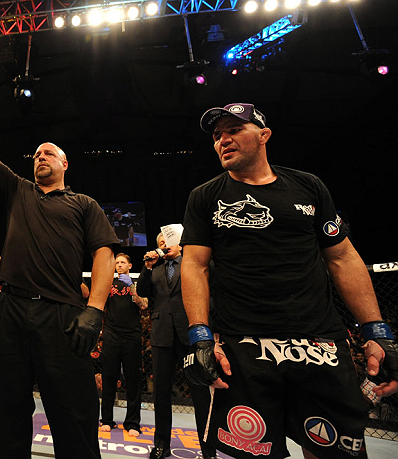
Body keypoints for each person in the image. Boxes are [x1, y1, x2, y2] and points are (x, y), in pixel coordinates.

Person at [180, 103, 398, 459]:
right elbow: (194, 266)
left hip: (318, 341)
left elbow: (342, 258)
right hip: (244, 344)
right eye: (217, 135)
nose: (223, 140)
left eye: (234, 129)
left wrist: (377, 332)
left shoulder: (308, 186)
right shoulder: (205, 196)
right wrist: (201, 337)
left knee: (333, 452)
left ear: (264, 135)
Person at [0, 96, 120, 458]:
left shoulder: (83, 204)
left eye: (49, 153)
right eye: (37, 154)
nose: (41, 157)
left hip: (62, 315)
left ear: (64, 164)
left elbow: (104, 253)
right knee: (6, 412)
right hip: (10, 310)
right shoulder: (19, 190)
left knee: (74, 413)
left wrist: (95, 310)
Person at [137, 230, 217, 459]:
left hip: (191, 334)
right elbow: (142, 291)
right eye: (160, 241)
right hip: (162, 335)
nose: (163, 243)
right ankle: (161, 444)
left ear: (179, 243)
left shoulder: (194, 264)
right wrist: (148, 266)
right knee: (160, 394)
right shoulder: (156, 268)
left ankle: (208, 450)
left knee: (201, 395)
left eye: (167, 240)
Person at [99, 253, 146, 437]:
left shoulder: (138, 284)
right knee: (109, 376)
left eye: (122, 262)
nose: (119, 265)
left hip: (131, 335)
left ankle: (132, 422)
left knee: (133, 379)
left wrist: (132, 288)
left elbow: (143, 305)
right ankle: (106, 420)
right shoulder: (108, 284)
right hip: (111, 334)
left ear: (129, 265)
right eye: (117, 262)